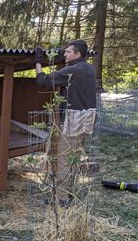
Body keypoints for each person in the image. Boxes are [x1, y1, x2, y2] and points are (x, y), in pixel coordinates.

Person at [34, 40, 97, 205]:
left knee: (63, 159)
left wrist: (38, 61)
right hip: (86, 121)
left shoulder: (73, 70)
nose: (65, 54)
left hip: (72, 123)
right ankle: (70, 193)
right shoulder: (89, 69)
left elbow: (43, 80)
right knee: (74, 158)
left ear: (77, 54)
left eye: (69, 52)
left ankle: (61, 199)